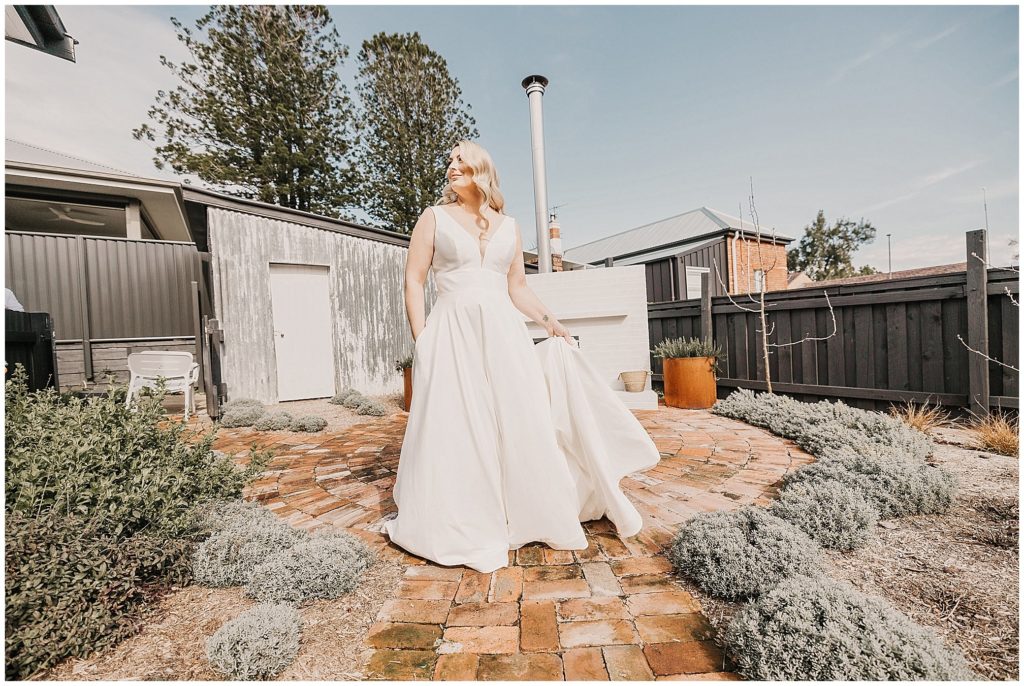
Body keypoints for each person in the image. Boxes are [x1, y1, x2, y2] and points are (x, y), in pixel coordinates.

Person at [382, 140, 659, 573]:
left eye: (460, 160)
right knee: (460, 423)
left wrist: (551, 321)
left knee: (516, 418)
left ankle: (521, 510)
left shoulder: (509, 227)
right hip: (452, 334)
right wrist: (423, 342)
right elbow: (413, 282)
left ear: (481, 169)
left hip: (503, 335)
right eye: (450, 161)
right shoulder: (432, 218)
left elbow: (517, 289)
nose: (451, 166)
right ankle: (462, 514)